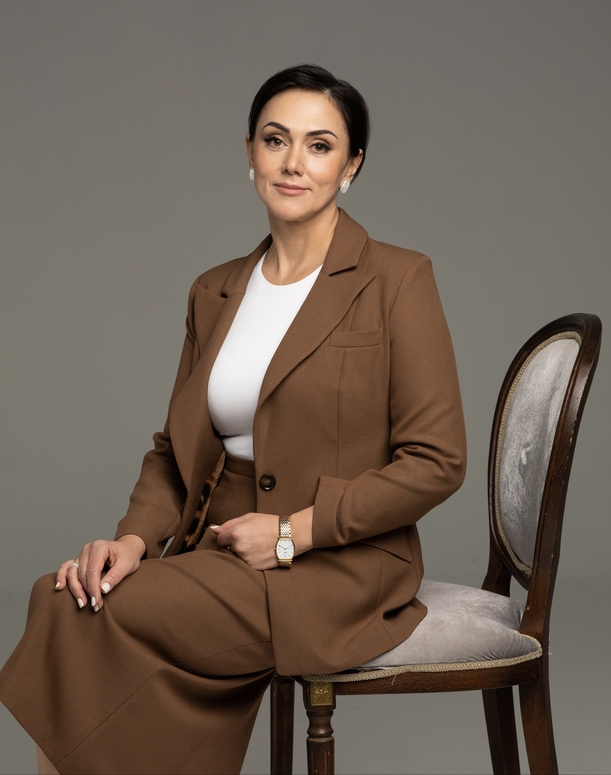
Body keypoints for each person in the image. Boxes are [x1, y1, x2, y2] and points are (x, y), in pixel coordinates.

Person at [0, 64, 466, 775]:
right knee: (73, 595)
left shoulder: (398, 279)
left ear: (351, 166)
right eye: (276, 140)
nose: (293, 162)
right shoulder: (214, 290)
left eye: (319, 145)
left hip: (337, 564)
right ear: (250, 151)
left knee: (71, 609)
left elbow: (437, 461)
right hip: (214, 549)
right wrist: (132, 540)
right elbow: (174, 451)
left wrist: (291, 532)